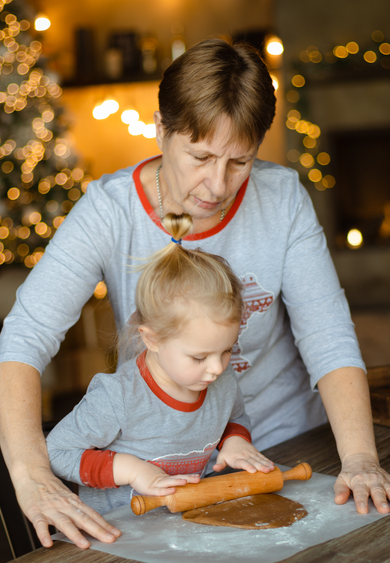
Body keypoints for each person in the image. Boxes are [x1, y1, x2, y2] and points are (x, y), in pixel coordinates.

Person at [0, 37, 390, 550]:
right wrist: (31, 474)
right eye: (200, 156)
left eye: (240, 161)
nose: (217, 185)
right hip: (162, 467)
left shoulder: (282, 198)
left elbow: (327, 335)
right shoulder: (109, 212)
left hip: (281, 444)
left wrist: (360, 460)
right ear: (161, 129)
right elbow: (26, 337)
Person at [45, 212, 274, 514]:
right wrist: (133, 471)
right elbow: (57, 452)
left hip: (185, 522)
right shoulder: (119, 397)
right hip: (120, 536)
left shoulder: (219, 380)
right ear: (152, 340)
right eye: (199, 356)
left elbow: (234, 418)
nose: (218, 368)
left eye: (227, 350)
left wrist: (234, 441)